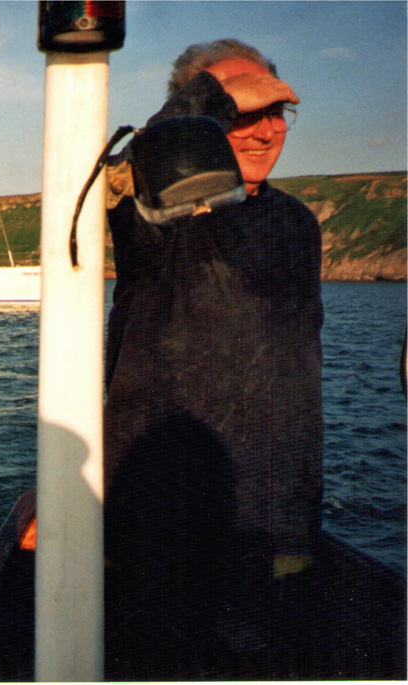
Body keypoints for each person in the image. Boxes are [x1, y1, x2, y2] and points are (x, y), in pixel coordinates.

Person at [103, 39, 322, 677]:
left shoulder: (298, 223)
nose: (264, 130)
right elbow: (123, 171)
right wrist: (210, 100)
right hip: (158, 528)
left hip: (275, 526)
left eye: (274, 112)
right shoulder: (153, 213)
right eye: (242, 113)